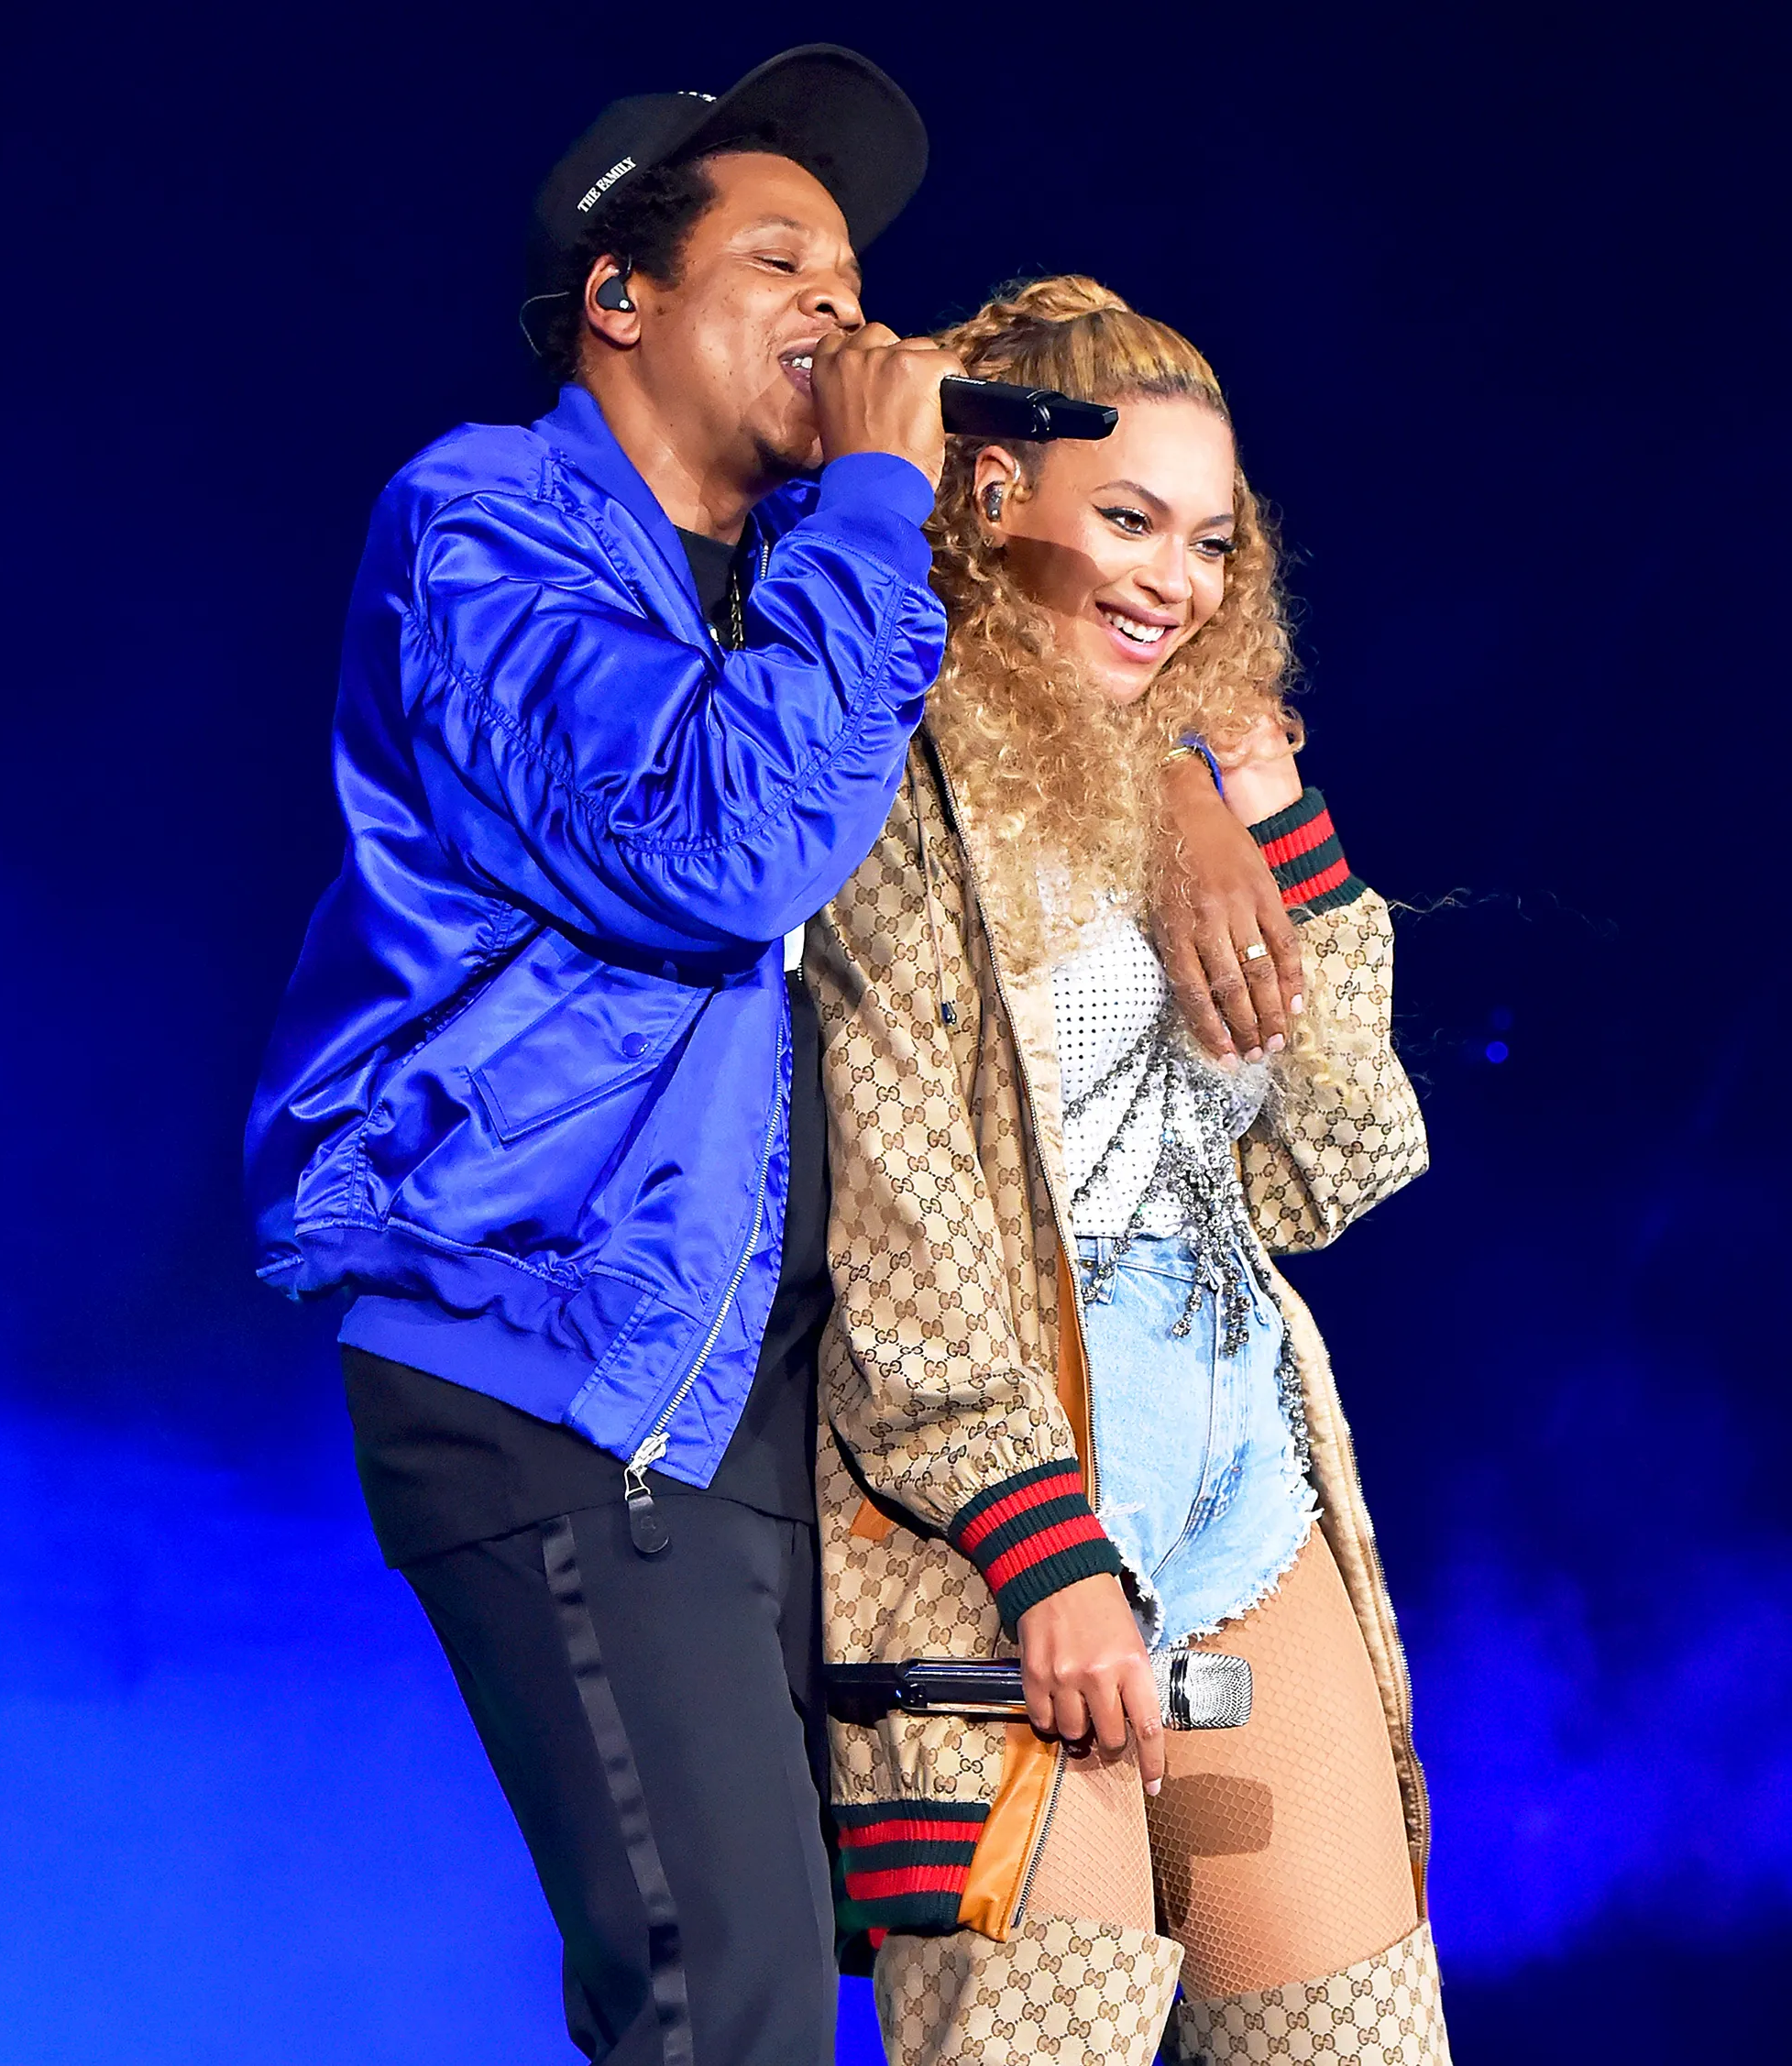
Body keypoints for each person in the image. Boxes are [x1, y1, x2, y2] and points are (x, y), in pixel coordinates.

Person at [244, 46, 967, 2066]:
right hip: (551, 1341)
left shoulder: (821, 586)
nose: (843, 302)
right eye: (779, 256)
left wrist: (1182, 798)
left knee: (907, 1964)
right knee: (716, 1990)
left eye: (853, 268)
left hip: (772, 1388)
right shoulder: (479, 520)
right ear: (618, 298)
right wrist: (884, 506)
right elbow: (717, 841)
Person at [806, 276, 1452, 2064]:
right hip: (994, 1518)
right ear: (995, 505)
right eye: (1128, 519)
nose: (1176, 576)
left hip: (1246, 1493)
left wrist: (1275, 820)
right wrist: (1047, 1552)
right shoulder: (880, 767)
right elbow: (903, 1228)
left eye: (1209, 539)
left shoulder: (1192, 786)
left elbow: (1339, 1164)